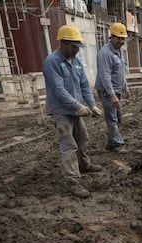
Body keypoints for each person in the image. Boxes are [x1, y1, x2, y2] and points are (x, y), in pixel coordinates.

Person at [43, 25, 103, 198]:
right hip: (62, 111)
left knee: (83, 138)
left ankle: (84, 165)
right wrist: (77, 106)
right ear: (63, 43)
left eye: (78, 46)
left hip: (76, 110)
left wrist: (92, 105)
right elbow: (59, 90)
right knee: (69, 145)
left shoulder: (76, 62)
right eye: (74, 46)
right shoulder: (52, 62)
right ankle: (73, 181)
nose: (77, 49)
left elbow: (84, 84)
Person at [95, 22, 129, 152]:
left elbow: (121, 70)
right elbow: (105, 76)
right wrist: (112, 94)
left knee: (118, 116)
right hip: (107, 91)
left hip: (117, 90)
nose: (121, 41)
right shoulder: (105, 53)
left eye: (123, 38)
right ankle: (117, 144)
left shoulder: (119, 51)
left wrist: (125, 86)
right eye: (118, 38)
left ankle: (111, 142)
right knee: (112, 118)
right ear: (112, 37)